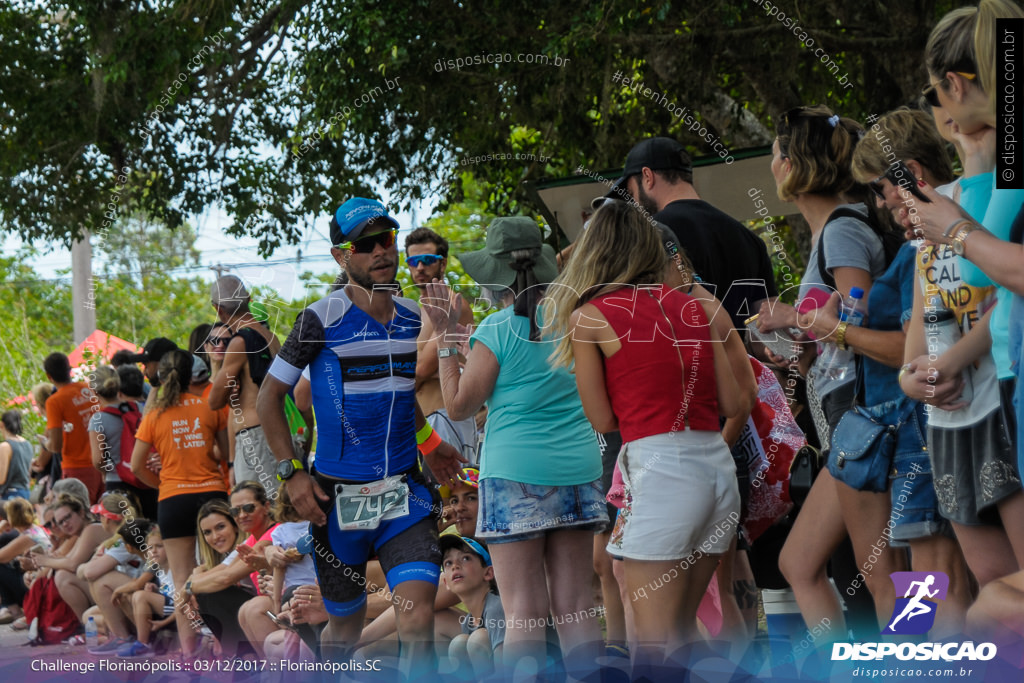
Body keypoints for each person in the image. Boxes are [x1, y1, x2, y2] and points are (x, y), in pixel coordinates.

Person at [256, 196, 464, 674]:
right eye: (365, 244)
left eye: (386, 239)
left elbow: (399, 394)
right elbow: (270, 399)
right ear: (341, 256)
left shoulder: (412, 317)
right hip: (335, 501)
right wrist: (291, 474)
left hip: (403, 494)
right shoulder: (319, 319)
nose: (380, 252)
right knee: (344, 630)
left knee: (415, 623)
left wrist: (430, 445)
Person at [546, 200, 741, 669]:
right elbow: (735, 404)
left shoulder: (589, 317)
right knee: (680, 631)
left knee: (651, 644)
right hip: (717, 472)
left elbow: (602, 421)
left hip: (660, 472)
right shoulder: (694, 306)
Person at [422, 215, 606, 677]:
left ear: (494, 276)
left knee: (523, 608)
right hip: (579, 469)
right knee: (577, 605)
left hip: (513, 475)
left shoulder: (497, 328)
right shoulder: (578, 321)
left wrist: (446, 336)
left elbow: (459, 406)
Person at [756, 105, 896, 637]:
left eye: (774, 154)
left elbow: (858, 317)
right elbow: (840, 326)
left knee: (889, 577)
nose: (772, 166)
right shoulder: (835, 230)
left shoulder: (841, 230)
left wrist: (793, 317)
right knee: (800, 564)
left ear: (793, 164)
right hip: (846, 418)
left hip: (863, 419)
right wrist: (799, 345)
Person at [610, 136, 776, 332]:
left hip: (683, 359)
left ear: (647, 177)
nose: (634, 203)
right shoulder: (750, 240)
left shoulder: (649, 235)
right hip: (740, 360)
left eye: (631, 193)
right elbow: (770, 325)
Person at [129, 349, 229, 658]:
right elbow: (224, 455)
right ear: (192, 375)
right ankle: (227, 646)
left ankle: (189, 653)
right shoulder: (210, 406)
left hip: (173, 498)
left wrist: (161, 484)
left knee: (182, 578)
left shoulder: (154, 415)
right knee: (219, 571)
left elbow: (136, 466)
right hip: (211, 495)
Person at [405, 227, 478, 466]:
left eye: (427, 260)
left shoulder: (451, 304)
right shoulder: (419, 309)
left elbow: (420, 369)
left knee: (452, 501)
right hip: (425, 424)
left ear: (443, 264)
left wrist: (399, 375)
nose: (419, 268)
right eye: (413, 261)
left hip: (446, 421)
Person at [208, 275, 283, 496]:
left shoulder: (239, 343)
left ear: (218, 309)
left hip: (255, 436)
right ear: (249, 300)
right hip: (279, 430)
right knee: (279, 509)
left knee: (260, 512)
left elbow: (214, 400)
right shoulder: (272, 338)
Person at [186, 481, 277, 659]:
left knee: (214, 593)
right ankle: (241, 658)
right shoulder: (251, 539)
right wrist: (193, 581)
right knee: (209, 593)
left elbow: (225, 577)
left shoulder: (271, 534)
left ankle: (248, 658)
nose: (242, 515)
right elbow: (221, 570)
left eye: (249, 508)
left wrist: (188, 588)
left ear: (266, 507)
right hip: (267, 604)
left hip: (286, 601)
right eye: (236, 511)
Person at [88, 366, 158, 520]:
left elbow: (98, 459)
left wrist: (105, 472)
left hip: (117, 482)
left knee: (126, 533)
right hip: (146, 479)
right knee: (150, 528)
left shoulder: (98, 419)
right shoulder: (141, 409)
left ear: (95, 392)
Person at [441, 535, 504, 678]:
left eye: (465, 558)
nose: (455, 566)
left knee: (478, 639)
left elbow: (508, 669)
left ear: (488, 573)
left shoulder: (497, 608)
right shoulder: (468, 622)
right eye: (448, 563)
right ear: (446, 583)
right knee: (459, 643)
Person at [43, 352, 102, 503]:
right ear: (70, 369)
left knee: (79, 519)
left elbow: (55, 446)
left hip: (77, 468)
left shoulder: (54, 402)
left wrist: (45, 443)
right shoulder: (89, 389)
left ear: (49, 376)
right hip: (102, 462)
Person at [113, 522, 176, 658]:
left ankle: (143, 644)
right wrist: (156, 590)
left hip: (180, 614)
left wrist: (163, 623)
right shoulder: (159, 569)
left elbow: (183, 605)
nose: (153, 551)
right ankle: (145, 642)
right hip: (170, 609)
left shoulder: (175, 569)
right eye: (149, 547)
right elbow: (168, 591)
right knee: (138, 595)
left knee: (140, 596)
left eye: (159, 546)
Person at [0, 498, 51, 624]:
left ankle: (12, 608)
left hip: (40, 584)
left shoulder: (27, 537)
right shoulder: (35, 529)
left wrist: (0, 529)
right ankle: (10, 607)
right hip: (42, 578)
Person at [125, 338, 179, 412]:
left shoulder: (176, 398)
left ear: (161, 364)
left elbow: (146, 419)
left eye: (146, 366)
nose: (144, 372)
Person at [0, 411, 33, 500]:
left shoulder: (5, 446)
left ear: (1, 424)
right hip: (25, 493)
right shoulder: (27, 444)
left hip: (10, 495)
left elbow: (1, 478)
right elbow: (28, 473)